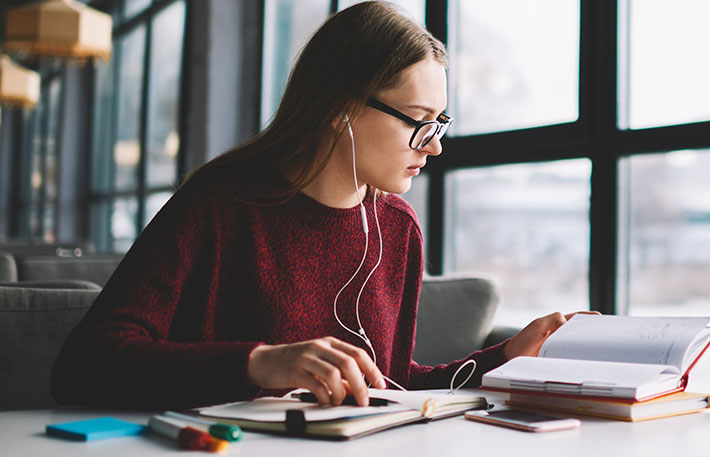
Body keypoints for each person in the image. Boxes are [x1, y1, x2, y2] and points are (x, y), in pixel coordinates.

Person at [51, 1, 590, 410]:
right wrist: (262, 363)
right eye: (418, 120)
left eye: (441, 122)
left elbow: (390, 385)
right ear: (340, 110)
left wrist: (502, 359)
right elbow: (86, 364)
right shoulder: (220, 202)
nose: (435, 145)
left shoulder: (395, 228)